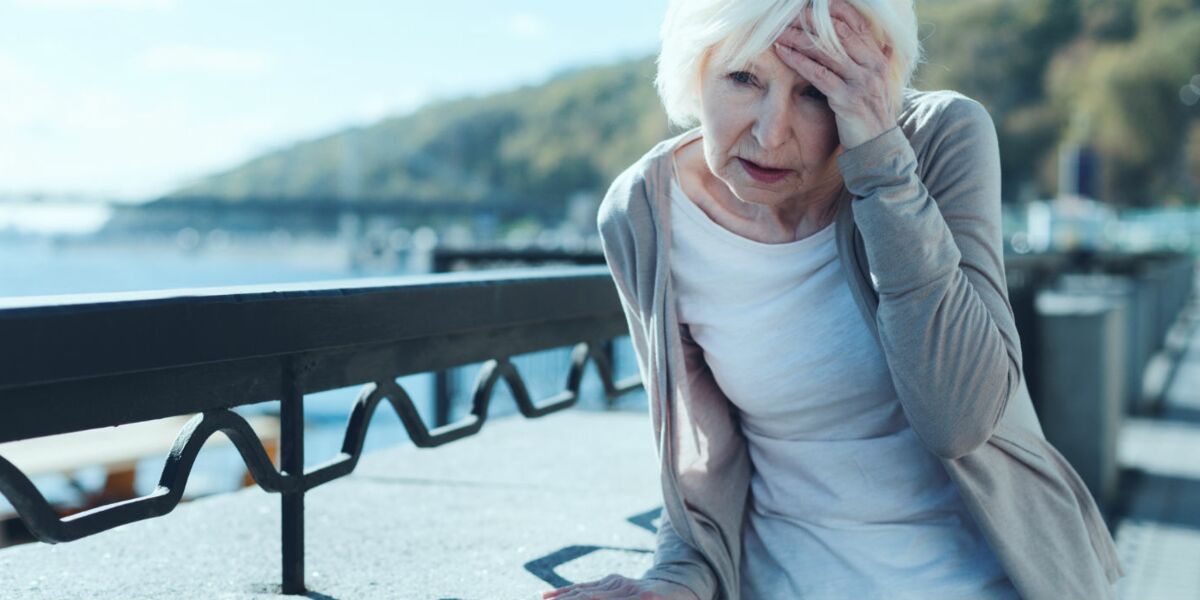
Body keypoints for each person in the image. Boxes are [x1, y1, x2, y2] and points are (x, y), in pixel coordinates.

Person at [544, 0, 1124, 598]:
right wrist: (673, 584)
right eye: (743, 78)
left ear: (876, 81)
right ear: (696, 68)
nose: (772, 133)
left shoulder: (939, 141)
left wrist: (883, 165)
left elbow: (961, 419)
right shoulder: (645, 213)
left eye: (817, 91)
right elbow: (702, 464)